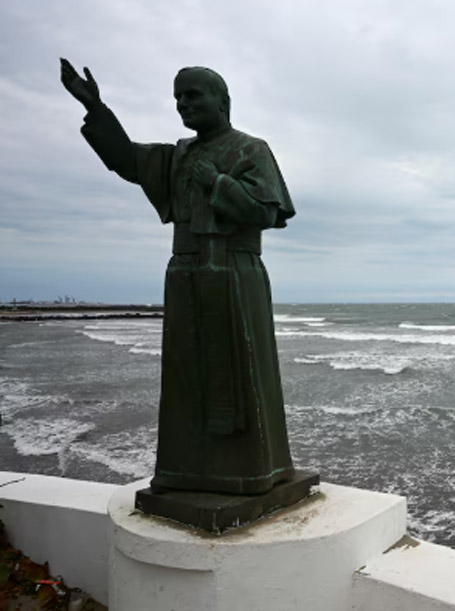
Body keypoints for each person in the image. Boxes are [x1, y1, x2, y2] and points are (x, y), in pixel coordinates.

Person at [60, 59, 297, 495]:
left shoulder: (251, 149)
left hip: (233, 273)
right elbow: (128, 160)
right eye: (178, 97)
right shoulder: (179, 153)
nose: (183, 104)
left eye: (193, 95)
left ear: (223, 102)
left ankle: (252, 471)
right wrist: (96, 109)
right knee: (187, 377)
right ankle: (187, 471)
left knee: (241, 373)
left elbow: (265, 212)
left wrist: (218, 183)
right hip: (185, 272)